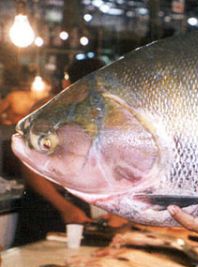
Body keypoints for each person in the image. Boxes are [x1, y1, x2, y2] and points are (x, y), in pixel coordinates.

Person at [13, 57, 121, 246]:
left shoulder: (98, 114)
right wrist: (64, 207)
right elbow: (30, 168)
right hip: (45, 205)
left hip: (77, 204)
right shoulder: (45, 110)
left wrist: (117, 209)